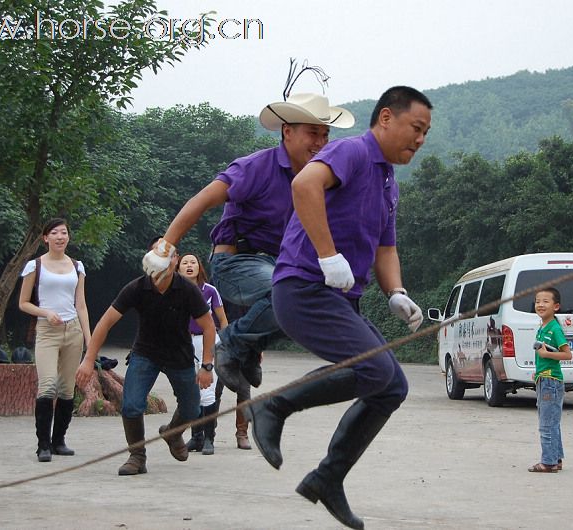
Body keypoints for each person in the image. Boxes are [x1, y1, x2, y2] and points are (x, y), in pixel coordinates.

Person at [245, 86, 432, 529]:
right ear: (386, 118)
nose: (421, 139)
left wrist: (396, 293)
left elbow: (386, 247)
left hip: (339, 299)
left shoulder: (388, 181)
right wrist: (327, 254)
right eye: (416, 128)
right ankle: (272, 407)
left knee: (392, 387)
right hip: (304, 288)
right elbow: (304, 183)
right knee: (374, 371)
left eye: (426, 133)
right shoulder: (352, 153)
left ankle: (327, 478)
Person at [141, 92, 354, 394]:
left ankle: (250, 348)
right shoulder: (255, 167)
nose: (320, 142)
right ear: (287, 131)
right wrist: (166, 246)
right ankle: (231, 345)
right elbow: (202, 200)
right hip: (235, 262)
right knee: (286, 291)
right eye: (312, 133)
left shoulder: (318, 178)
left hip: (277, 263)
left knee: (310, 299)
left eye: (325, 134)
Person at [75, 240, 215, 475]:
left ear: (176, 260)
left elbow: (209, 327)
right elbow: (106, 322)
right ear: (150, 260)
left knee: (191, 410)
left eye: (170, 256)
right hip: (145, 353)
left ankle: (172, 433)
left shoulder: (188, 290)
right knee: (131, 405)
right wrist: (89, 360)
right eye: (158, 255)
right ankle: (137, 456)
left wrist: (207, 365)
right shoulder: (137, 288)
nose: (165, 261)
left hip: (179, 355)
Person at [18, 218, 91, 463]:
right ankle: (43, 445)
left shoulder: (77, 266)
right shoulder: (34, 266)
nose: (60, 237)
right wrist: (46, 312)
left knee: (67, 389)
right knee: (47, 385)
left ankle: (59, 440)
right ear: (45, 238)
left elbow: (81, 305)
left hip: (73, 332)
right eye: (55, 233)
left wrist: (90, 342)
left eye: (64, 232)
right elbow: (23, 303)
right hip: (47, 331)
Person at [178, 253, 228, 455]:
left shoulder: (210, 291)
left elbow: (222, 319)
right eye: (185, 263)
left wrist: (224, 342)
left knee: (209, 391)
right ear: (178, 268)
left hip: (207, 342)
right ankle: (195, 437)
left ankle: (209, 437)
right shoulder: (175, 291)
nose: (189, 266)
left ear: (199, 267)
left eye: (193, 263)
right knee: (192, 391)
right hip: (184, 342)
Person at [527, 287, 572, 473]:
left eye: (545, 301)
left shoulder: (554, 328)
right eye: (538, 301)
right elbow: (544, 356)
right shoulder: (542, 327)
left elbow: (567, 354)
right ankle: (556, 459)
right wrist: (537, 370)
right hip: (543, 379)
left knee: (547, 425)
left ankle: (548, 462)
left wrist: (545, 354)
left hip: (550, 382)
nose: (540, 305)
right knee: (552, 422)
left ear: (556, 306)